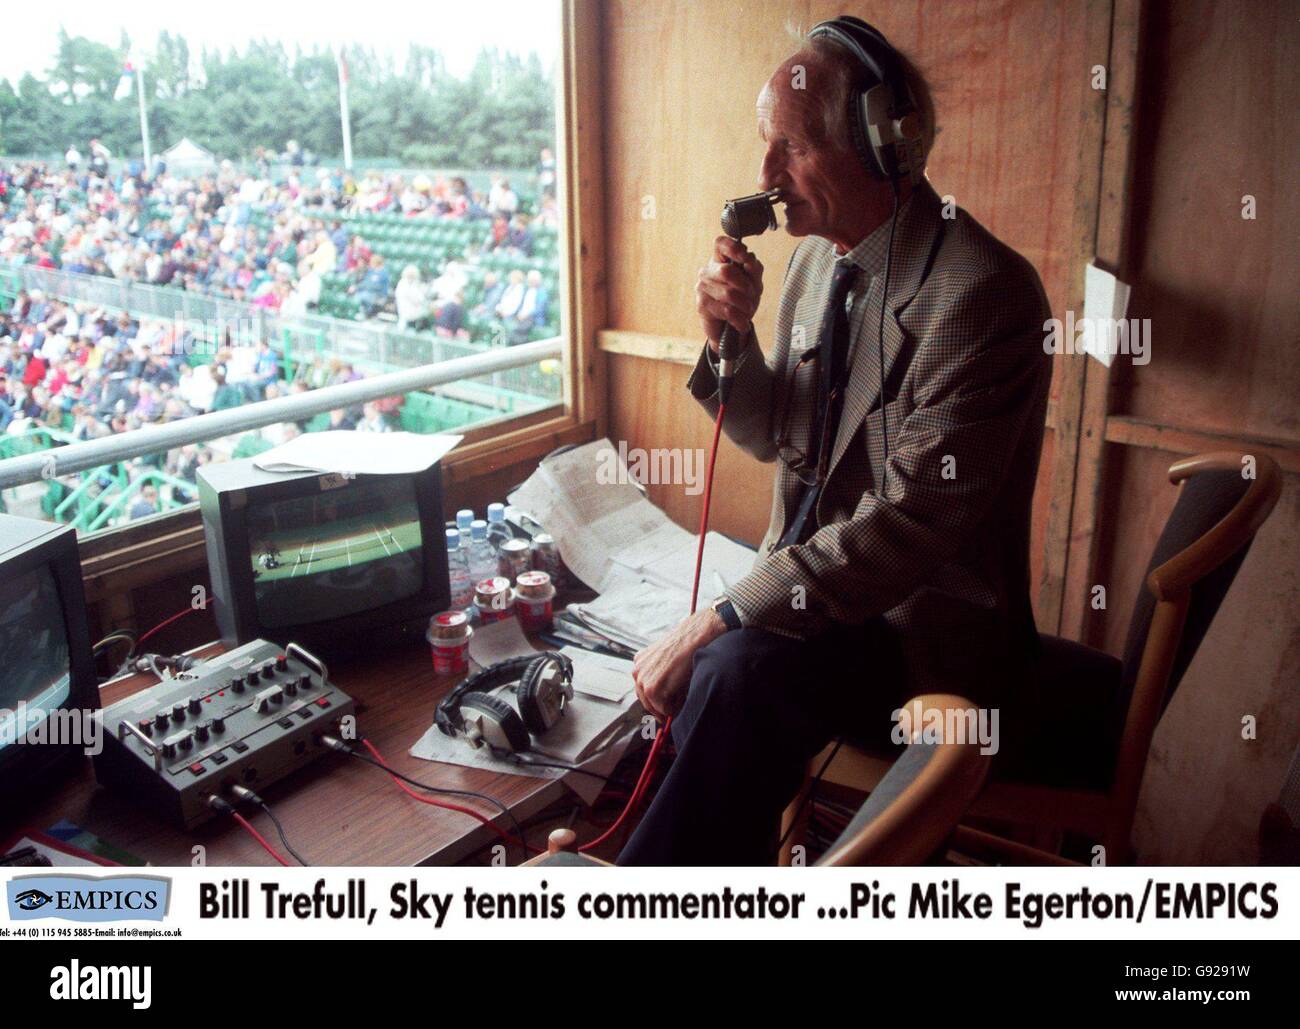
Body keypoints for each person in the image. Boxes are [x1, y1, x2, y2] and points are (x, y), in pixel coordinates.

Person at [618, 17, 1051, 866]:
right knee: (719, 672)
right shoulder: (818, 264)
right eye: (762, 147)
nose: (765, 177)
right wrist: (727, 342)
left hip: (925, 634)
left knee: (736, 674)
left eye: (792, 147)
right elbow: (773, 431)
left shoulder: (983, 293)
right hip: (827, 602)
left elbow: (909, 528)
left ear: (885, 145)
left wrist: (725, 615)